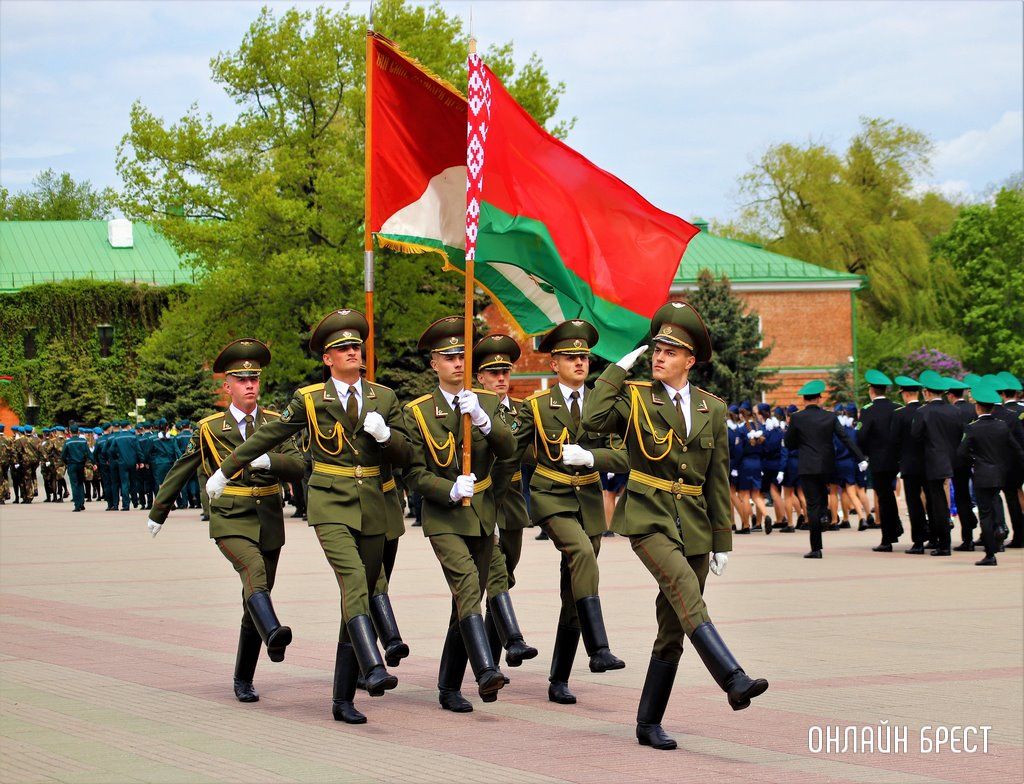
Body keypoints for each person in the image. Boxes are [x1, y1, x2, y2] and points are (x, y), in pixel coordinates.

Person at [208, 311, 410, 724]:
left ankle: (342, 700)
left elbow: (410, 455)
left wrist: (387, 436)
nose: (353, 351)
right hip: (330, 503)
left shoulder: (384, 398)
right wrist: (227, 468)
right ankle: (372, 666)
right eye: (342, 348)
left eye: (356, 346)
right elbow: (269, 436)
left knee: (360, 591)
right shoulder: (311, 399)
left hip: (373, 505)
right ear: (328, 359)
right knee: (354, 580)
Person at [584, 300, 768, 751]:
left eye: (669, 350)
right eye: (656, 348)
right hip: (648, 516)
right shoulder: (636, 397)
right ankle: (732, 675)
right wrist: (613, 371)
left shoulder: (713, 408)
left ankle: (649, 723)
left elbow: (717, 478)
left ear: (690, 359)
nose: (658, 356)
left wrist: (722, 539)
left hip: (696, 526)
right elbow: (590, 421)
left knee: (673, 626)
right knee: (685, 589)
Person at [148, 339, 305, 703]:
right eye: (242, 379)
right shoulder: (209, 428)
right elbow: (182, 469)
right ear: (228, 387)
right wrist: (160, 510)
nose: (250, 385)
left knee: (255, 595)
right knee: (254, 572)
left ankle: (243, 678)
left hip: (268, 519)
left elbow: (299, 466)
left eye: (254, 379)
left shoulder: (275, 424)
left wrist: (271, 462)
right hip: (230, 519)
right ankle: (274, 633)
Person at [512, 320, 628, 706]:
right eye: (571, 357)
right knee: (581, 555)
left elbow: (625, 455)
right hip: (552, 497)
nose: (580, 363)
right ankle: (599, 647)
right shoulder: (538, 406)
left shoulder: (605, 404)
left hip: (590, 501)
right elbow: (512, 449)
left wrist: (592, 456)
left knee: (572, 592)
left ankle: (558, 679)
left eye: (584, 357)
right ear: (554, 363)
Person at [403, 315, 515, 713]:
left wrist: (485, 421)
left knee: (465, 600)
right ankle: (485, 670)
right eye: (447, 356)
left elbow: (510, 451)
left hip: (482, 516)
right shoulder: (417, 412)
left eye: (461, 356)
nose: (455, 362)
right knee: (468, 586)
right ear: (433, 363)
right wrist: (447, 488)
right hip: (445, 517)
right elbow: (414, 473)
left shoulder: (484, 403)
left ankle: (449, 686)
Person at [472, 334, 539, 674]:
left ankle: (488, 659)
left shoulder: (523, 413)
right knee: (494, 579)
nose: (500, 378)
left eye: (505, 372)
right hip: (480, 506)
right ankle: (509, 644)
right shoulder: (469, 412)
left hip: (511, 510)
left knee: (503, 581)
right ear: (480, 378)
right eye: (492, 372)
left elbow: (531, 455)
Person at [784, 381, 866, 559]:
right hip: (827, 466)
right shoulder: (830, 417)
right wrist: (861, 458)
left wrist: (801, 441)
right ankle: (823, 515)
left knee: (812, 503)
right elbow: (845, 438)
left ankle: (816, 548)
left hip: (807, 466)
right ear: (819, 398)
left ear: (804, 399)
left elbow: (789, 443)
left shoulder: (797, 418)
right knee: (823, 496)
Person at [957, 382, 1024, 566]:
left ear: (978, 407)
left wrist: (973, 461)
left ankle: (990, 552)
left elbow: (961, 453)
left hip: (981, 474)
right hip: (1000, 474)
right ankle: (1000, 531)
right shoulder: (1002, 426)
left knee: (985, 514)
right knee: (996, 505)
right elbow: (1017, 449)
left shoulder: (972, 427)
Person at [911, 371, 964, 557]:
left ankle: (944, 544)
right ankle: (943, 541)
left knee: (938, 504)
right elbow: (960, 434)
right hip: (953, 459)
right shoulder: (954, 410)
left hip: (933, 461)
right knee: (945, 501)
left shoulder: (922, 412)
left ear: (926, 392)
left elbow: (915, 436)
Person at [856, 370, 903, 551]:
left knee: (883, 497)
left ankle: (887, 538)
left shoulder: (869, 410)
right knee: (889, 494)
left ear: (871, 391)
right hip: (896, 459)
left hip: (878, 459)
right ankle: (895, 525)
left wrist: (866, 453)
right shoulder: (897, 407)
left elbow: (861, 436)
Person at [943, 378, 979, 550]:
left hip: (957, 460)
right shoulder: (974, 409)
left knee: (962, 496)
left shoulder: (950, 411)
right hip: (977, 458)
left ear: (950, 395)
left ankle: (968, 538)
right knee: (984, 497)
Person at [61, 423, 92, 512]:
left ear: (70, 432)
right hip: (81, 465)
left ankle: (77, 505)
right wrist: (93, 462)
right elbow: (88, 453)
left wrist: (67, 463)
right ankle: (82, 503)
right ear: (78, 432)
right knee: (80, 483)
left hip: (72, 465)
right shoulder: (83, 441)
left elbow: (63, 455)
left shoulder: (68, 442)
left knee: (74, 484)